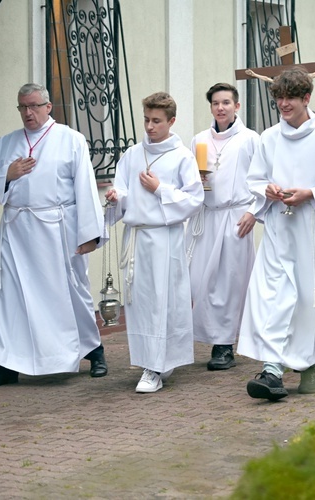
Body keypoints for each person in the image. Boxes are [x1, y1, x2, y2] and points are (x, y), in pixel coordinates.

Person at [0, 83, 107, 387]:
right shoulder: (5, 143)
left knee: (72, 293)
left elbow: (86, 188)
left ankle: (94, 352)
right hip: (18, 231)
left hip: (58, 230)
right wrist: (7, 177)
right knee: (11, 297)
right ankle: (7, 365)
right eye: (22, 107)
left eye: (34, 106)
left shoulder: (71, 140)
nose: (28, 113)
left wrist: (89, 234)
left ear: (48, 107)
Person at [238, 67, 315, 400]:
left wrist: (311, 195)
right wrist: (267, 190)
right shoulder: (268, 138)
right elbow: (255, 179)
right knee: (273, 295)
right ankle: (272, 369)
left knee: (305, 298)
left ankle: (309, 365)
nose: (283, 105)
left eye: (290, 98)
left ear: (307, 98)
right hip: (277, 228)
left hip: (310, 231)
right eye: (279, 98)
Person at [105, 92, 203, 393]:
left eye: (156, 121)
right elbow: (121, 192)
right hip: (136, 238)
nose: (149, 126)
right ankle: (151, 360)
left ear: (171, 121)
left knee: (163, 302)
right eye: (146, 120)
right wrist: (114, 197)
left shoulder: (182, 156)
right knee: (141, 303)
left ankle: (156, 367)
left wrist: (160, 188)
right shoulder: (132, 155)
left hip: (164, 238)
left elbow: (194, 199)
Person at [185, 83, 260, 371]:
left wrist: (254, 211)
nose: (221, 108)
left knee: (230, 282)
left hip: (236, 217)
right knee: (201, 280)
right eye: (216, 103)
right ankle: (206, 336)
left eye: (226, 102)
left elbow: (262, 179)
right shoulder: (198, 140)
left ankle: (225, 344)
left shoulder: (250, 139)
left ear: (237, 106)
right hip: (206, 216)